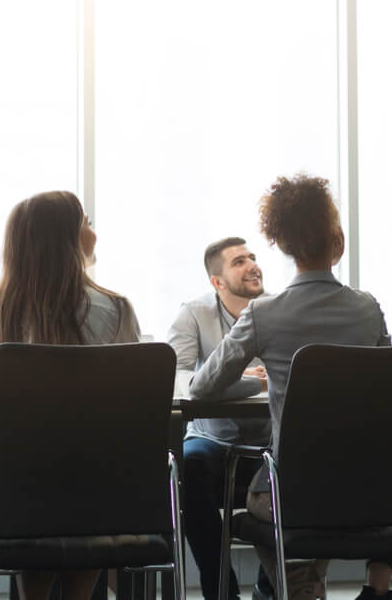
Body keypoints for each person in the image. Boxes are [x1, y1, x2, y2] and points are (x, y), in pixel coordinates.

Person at [189, 175, 391, 600]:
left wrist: (248, 384)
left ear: (280, 244)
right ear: (337, 241)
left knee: (266, 498)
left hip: (291, 493)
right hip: (367, 488)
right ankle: (333, 588)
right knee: (305, 502)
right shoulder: (368, 310)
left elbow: (203, 387)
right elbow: (387, 387)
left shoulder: (264, 314)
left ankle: (302, 590)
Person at [0, 191, 140, 600]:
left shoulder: (1, 307)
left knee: (34, 494)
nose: (94, 231)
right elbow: (132, 399)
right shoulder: (117, 308)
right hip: (99, 487)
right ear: (69, 237)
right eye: (86, 222)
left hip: (20, 488)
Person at [167, 237, 274, 600]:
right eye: (239, 261)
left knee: (297, 461)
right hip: (212, 439)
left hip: (268, 442)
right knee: (190, 466)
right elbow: (180, 380)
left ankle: (269, 585)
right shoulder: (194, 314)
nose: (253, 265)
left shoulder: (276, 309)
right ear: (217, 281)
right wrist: (245, 382)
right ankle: (221, 589)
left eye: (254, 257)